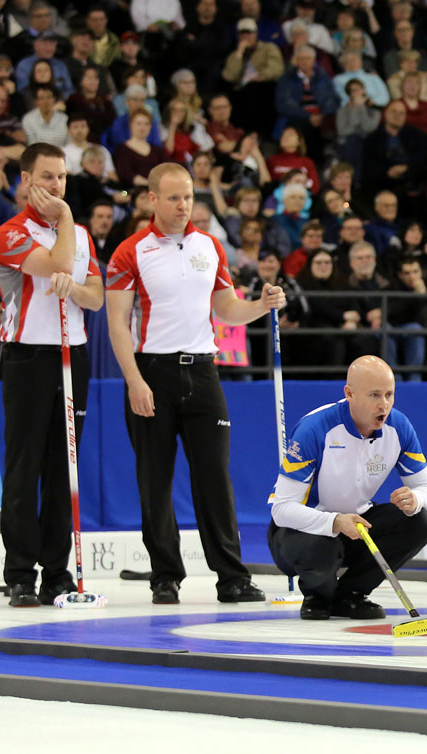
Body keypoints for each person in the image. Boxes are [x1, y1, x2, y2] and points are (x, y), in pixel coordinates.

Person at [105, 163, 286, 605]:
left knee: (215, 478)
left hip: (203, 372)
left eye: (188, 197)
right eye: (173, 197)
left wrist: (260, 305)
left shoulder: (210, 246)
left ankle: (232, 577)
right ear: (152, 199)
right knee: (155, 479)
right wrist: (134, 380)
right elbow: (116, 324)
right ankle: (165, 575)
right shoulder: (131, 252)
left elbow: (226, 309)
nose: (183, 205)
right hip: (152, 372)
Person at [0, 143, 104, 607]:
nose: (55, 186)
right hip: (28, 356)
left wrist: (75, 287)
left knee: (65, 466)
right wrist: (66, 219)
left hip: (72, 353)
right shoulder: (10, 234)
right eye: (46, 177)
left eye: (61, 178)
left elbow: (95, 297)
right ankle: (20, 573)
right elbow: (55, 262)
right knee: (25, 465)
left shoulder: (80, 235)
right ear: (25, 180)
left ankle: (57, 571)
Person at [268, 356, 427, 619]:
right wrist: (335, 522)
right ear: (349, 394)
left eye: (389, 395)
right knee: (323, 545)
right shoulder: (315, 429)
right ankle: (317, 595)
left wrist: (416, 498)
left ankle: (349, 594)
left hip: (355, 525)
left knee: (420, 522)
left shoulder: (399, 427)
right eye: (374, 395)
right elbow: (281, 510)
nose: (384, 405)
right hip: (298, 531)